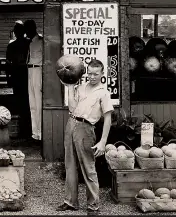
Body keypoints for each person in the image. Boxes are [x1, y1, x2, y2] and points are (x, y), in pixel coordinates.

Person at [57, 59, 114, 215]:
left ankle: (93, 205)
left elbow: (108, 118)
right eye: (90, 73)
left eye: (96, 74)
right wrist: (69, 87)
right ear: (86, 72)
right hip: (72, 123)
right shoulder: (80, 88)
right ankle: (70, 202)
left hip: (86, 128)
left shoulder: (103, 92)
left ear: (103, 74)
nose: (92, 77)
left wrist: (103, 142)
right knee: (69, 165)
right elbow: (72, 108)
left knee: (88, 168)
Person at [6, 22, 31, 139]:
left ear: (15, 33)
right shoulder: (29, 43)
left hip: (16, 73)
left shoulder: (11, 46)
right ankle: (27, 127)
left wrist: (8, 77)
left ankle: (21, 127)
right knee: (28, 100)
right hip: (26, 73)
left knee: (19, 100)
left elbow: (8, 63)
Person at [24, 19, 43, 141]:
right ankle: (35, 132)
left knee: (39, 102)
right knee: (32, 103)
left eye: (28, 29)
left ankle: (41, 132)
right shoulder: (29, 43)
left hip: (38, 70)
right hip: (30, 70)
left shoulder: (41, 41)